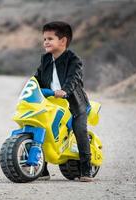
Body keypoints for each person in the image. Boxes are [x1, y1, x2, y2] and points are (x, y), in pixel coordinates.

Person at [34, 21, 93, 182]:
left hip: (74, 104)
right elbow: (37, 77)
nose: (45, 42)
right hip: (52, 102)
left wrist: (65, 90)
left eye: (50, 39)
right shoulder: (46, 59)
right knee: (41, 125)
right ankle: (42, 169)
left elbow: (73, 79)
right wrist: (31, 86)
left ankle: (86, 169)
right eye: (44, 39)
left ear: (63, 41)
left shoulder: (73, 60)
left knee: (79, 131)